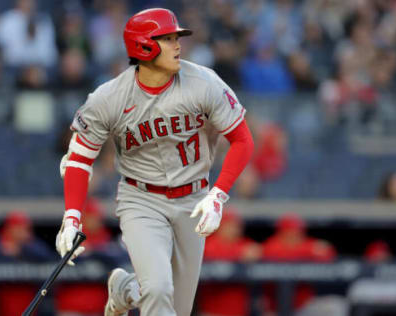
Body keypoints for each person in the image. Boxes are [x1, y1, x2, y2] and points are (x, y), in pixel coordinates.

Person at [55, 8, 255, 316]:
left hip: (193, 198)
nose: (178, 46)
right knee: (159, 290)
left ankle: (128, 290)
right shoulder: (109, 97)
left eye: (177, 38)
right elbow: (80, 158)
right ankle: (143, 288)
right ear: (143, 46)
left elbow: (243, 140)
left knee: (176, 306)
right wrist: (71, 217)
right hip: (141, 198)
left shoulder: (203, 82)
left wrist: (218, 195)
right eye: (168, 39)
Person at [261, 213, 337, 315]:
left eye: (298, 232)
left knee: (335, 306)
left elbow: (329, 253)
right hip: (274, 307)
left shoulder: (307, 243)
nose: (295, 235)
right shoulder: (271, 245)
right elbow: (273, 253)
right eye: (290, 232)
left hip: (303, 305)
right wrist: (309, 251)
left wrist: (306, 250)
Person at [0, 210, 53, 316]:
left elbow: (47, 256)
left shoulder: (31, 245)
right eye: (18, 228)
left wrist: (22, 248)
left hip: (28, 306)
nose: (22, 231)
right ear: (9, 228)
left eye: (24, 228)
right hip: (2, 306)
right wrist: (3, 251)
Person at [197, 208, 261, 316]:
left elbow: (264, 250)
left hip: (240, 311)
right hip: (212, 312)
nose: (234, 229)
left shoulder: (244, 243)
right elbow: (210, 254)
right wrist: (240, 254)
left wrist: (257, 251)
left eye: (237, 226)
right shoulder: (210, 243)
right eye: (229, 225)